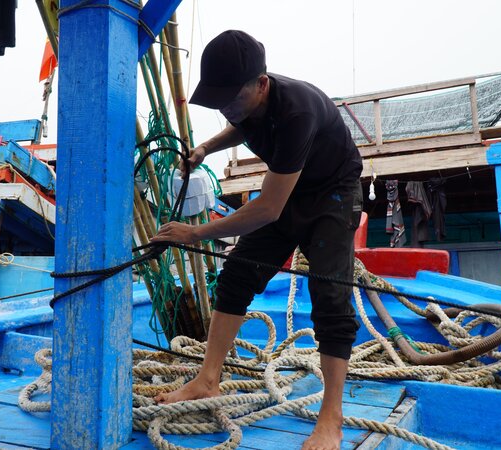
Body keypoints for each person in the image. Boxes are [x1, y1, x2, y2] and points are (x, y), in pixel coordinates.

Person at [151, 30, 363, 450]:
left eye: (232, 99)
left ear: (261, 84)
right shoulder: (248, 100)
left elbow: (268, 208)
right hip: (291, 189)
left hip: (332, 194)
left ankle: (331, 420)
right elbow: (241, 125)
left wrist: (195, 232)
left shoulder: (296, 111)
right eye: (220, 103)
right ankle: (208, 379)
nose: (227, 109)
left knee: (330, 299)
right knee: (237, 276)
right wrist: (206, 147)